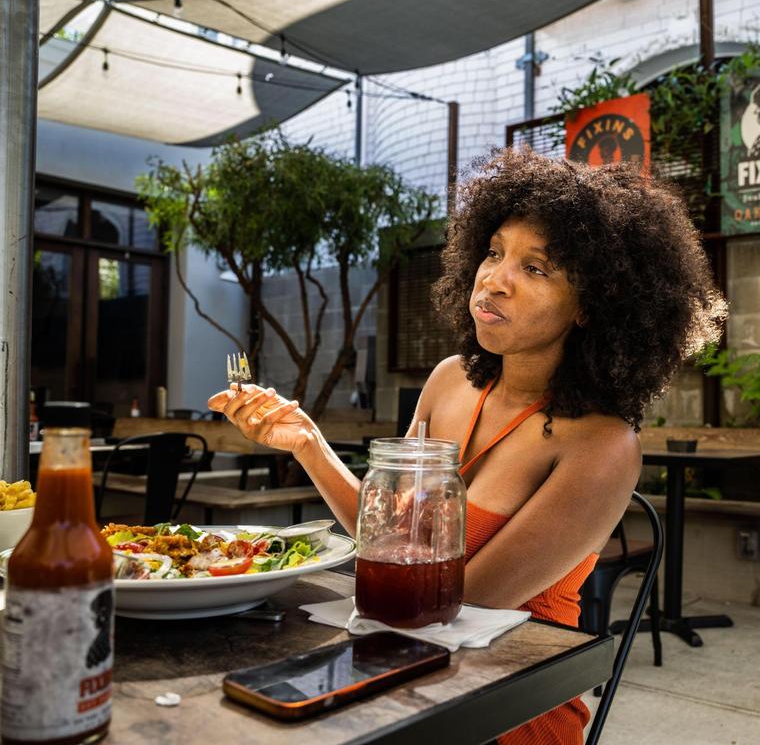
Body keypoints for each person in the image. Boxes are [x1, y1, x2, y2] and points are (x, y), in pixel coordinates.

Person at [208, 147, 726, 744]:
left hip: (503, 704)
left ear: (592, 305)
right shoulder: (450, 380)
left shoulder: (603, 445)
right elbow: (390, 542)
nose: (495, 280)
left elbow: (457, 600)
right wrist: (307, 444)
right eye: (494, 251)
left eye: (536, 269)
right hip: (396, 668)